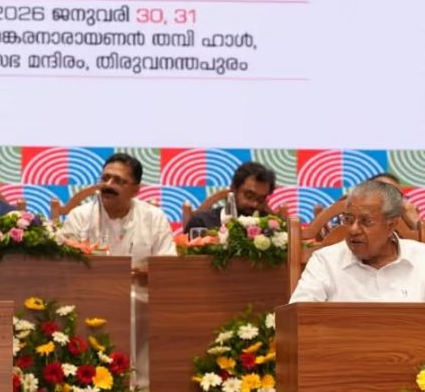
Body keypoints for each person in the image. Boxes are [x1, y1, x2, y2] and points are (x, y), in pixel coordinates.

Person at [58, 152, 176, 390]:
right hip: (89, 296)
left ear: (136, 190)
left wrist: (142, 272)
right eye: (105, 178)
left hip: (139, 296)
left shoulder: (154, 218)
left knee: (136, 304)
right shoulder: (80, 217)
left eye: (119, 181)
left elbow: (168, 266)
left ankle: (141, 385)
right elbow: (63, 265)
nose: (108, 185)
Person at [289, 180, 425, 303]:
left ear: (391, 225)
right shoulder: (324, 261)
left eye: (366, 221)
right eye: (348, 220)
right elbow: (297, 320)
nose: (353, 230)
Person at [183, 161, 276, 233]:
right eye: (249, 196)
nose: (254, 204)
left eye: (261, 199)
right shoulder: (203, 222)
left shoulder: (272, 227)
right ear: (233, 189)